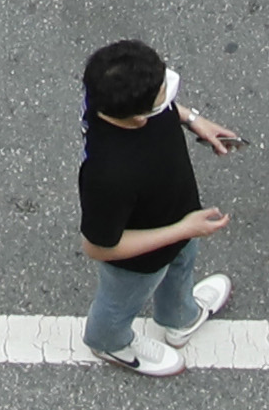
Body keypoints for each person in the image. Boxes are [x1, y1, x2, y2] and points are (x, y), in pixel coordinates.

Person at [74, 39, 242, 374]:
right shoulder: (107, 176)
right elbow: (98, 247)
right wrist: (183, 229)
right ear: (138, 117)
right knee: (120, 301)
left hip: (178, 216)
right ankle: (108, 342)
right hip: (139, 259)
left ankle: (181, 318)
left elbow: (166, 108)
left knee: (181, 265)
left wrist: (194, 120)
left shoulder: (109, 98)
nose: (168, 96)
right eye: (163, 94)